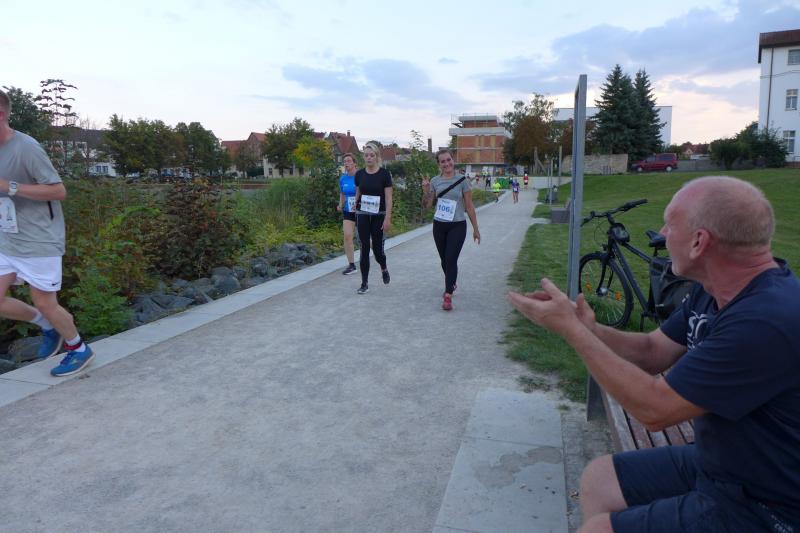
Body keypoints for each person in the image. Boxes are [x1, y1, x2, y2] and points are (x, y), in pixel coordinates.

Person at [508, 176, 800, 532]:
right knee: (601, 479)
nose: (661, 233)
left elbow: (654, 410)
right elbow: (652, 351)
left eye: (670, 224)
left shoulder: (766, 320)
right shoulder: (715, 289)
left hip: (767, 503)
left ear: (699, 242)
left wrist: (572, 332)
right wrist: (589, 328)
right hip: (724, 463)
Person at [0, 89, 94, 377]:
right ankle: (46, 325)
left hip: (38, 239)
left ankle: (79, 348)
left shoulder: (26, 148)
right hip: (7, 238)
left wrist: (8, 187)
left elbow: (58, 191)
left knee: (45, 300)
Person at [421, 149, 481, 311]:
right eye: (443, 161)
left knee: (450, 259)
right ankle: (452, 282)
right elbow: (427, 206)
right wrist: (426, 190)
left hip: (457, 225)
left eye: (449, 160)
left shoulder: (462, 180)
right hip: (439, 225)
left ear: (453, 160)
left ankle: (448, 295)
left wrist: (476, 229)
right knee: (444, 260)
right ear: (439, 164)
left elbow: (469, 206)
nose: (447, 164)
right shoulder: (435, 181)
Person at [353, 142, 392, 295]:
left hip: (379, 214)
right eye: (366, 155)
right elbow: (358, 191)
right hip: (362, 213)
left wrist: (387, 218)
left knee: (377, 250)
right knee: (364, 247)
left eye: (372, 155)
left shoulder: (384, 174)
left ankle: (383, 267)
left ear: (377, 157)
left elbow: (388, 198)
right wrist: (355, 203)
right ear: (363, 157)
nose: (369, 158)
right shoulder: (359, 174)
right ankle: (364, 283)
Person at [336, 152, 358, 275]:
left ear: (354, 163)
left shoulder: (360, 176)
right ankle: (352, 265)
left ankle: (378, 252)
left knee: (366, 239)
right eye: (345, 161)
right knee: (347, 236)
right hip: (348, 211)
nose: (346, 163)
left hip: (361, 211)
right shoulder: (343, 178)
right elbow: (342, 193)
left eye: (349, 161)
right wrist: (340, 204)